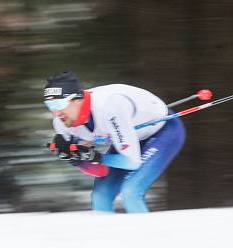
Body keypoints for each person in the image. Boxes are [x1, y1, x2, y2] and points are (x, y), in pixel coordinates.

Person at [43, 71, 186, 213]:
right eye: (50, 105)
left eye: (59, 104)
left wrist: (95, 157)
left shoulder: (110, 107)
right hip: (130, 139)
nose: (56, 113)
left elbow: (131, 162)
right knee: (101, 196)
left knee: (131, 191)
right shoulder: (62, 122)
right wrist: (77, 160)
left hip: (163, 132)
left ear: (78, 99)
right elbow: (101, 171)